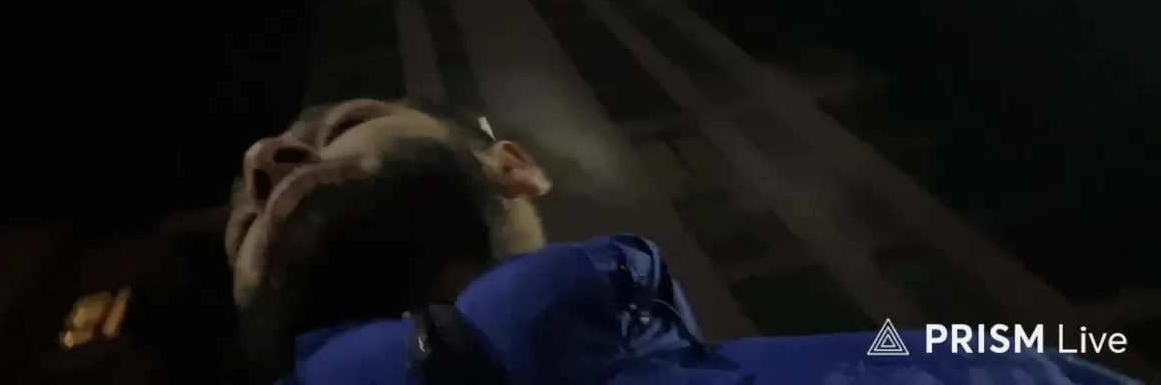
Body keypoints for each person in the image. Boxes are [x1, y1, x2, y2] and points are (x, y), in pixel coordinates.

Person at [224, 98, 1141, 385]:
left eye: (345, 124)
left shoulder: (942, 364)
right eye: (238, 229)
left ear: (515, 166)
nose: (264, 160)